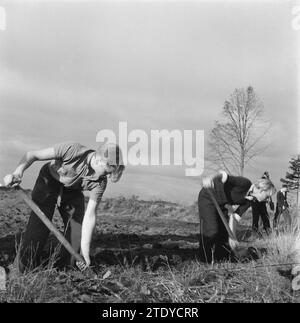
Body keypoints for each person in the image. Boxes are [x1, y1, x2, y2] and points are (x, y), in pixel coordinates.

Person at [3, 141, 124, 272]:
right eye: (106, 172)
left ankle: (66, 268)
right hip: (49, 181)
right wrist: (17, 172)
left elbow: (90, 216)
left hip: (72, 190)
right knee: (39, 227)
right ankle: (22, 270)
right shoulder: (73, 150)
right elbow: (32, 155)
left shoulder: (100, 183)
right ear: (99, 159)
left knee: (76, 227)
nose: (106, 176)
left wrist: (85, 252)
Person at [198, 170, 276, 263]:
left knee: (224, 234)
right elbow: (223, 175)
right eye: (267, 196)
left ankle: (222, 258)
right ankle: (204, 259)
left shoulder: (250, 200)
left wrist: (232, 237)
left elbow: (235, 217)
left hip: (222, 205)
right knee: (212, 229)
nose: (267, 200)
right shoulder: (245, 183)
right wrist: (210, 178)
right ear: (262, 190)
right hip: (208, 197)